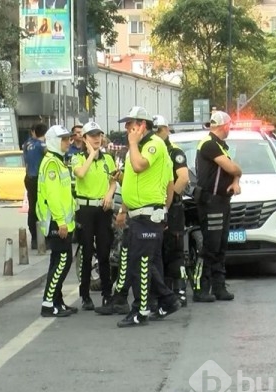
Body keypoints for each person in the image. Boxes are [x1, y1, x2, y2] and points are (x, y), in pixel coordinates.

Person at [114, 106, 181, 328]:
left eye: (130, 124)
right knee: (142, 263)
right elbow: (132, 182)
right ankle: (168, 300)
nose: (126, 128)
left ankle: (140, 311)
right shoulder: (138, 147)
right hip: (137, 214)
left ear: (142, 125)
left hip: (148, 214)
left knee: (141, 264)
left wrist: (163, 212)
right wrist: (124, 208)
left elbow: (140, 167)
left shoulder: (153, 145)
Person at [192, 111, 241, 302]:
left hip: (222, 201)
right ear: (224, 126)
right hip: (210, 202)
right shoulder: (209, 144)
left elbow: (233, 170)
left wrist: (236, 179)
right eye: (230, 125)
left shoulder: (221, 146)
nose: (230, 129)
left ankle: (219, 287)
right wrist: (238, 173)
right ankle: (200, 288)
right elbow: (232, 167)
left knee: (220, 246)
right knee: (210, 247)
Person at [70, 121, 116, 312]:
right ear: (85, 139)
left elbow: (114, 180)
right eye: (92, 136)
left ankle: (107, 294)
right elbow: (80, 173)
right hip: (85, 210)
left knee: (105, 253)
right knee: (87, 252)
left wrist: (109, 194)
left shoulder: (108, 159)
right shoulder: (78, 158)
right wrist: (91, 155)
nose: (97, 139)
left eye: (99, 135)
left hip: (103, 209)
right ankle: (85, 295)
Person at [37, 125, 76, 317]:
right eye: (64, 139)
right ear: (54, 141)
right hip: (56, 221)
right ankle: (48, 303)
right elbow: (53, 195)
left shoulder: (58, 162)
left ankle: (57, 301)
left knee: (59, 261)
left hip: (61, 221)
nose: (68, 142)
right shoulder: (52, 163)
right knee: (62, 262)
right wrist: (61, 221)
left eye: (68, 138)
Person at [154, 115, 190, 307]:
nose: (158, 134)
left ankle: (180, 289)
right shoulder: (151, 151)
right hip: (157, 208)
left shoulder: (174, 152)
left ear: (166, 130)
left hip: (172, 209)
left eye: (160, 130)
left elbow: (183, 178)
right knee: (158, 251)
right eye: (155, 130)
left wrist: (170, 198)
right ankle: (163, 290)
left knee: (175, 251)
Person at [22, 123, 47, 249]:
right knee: (42, 209)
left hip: (29, 178)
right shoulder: (42, 146)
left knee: (32, 208)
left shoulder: (27, 144)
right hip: (39, 179)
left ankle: (34, 238)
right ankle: (41, 238)